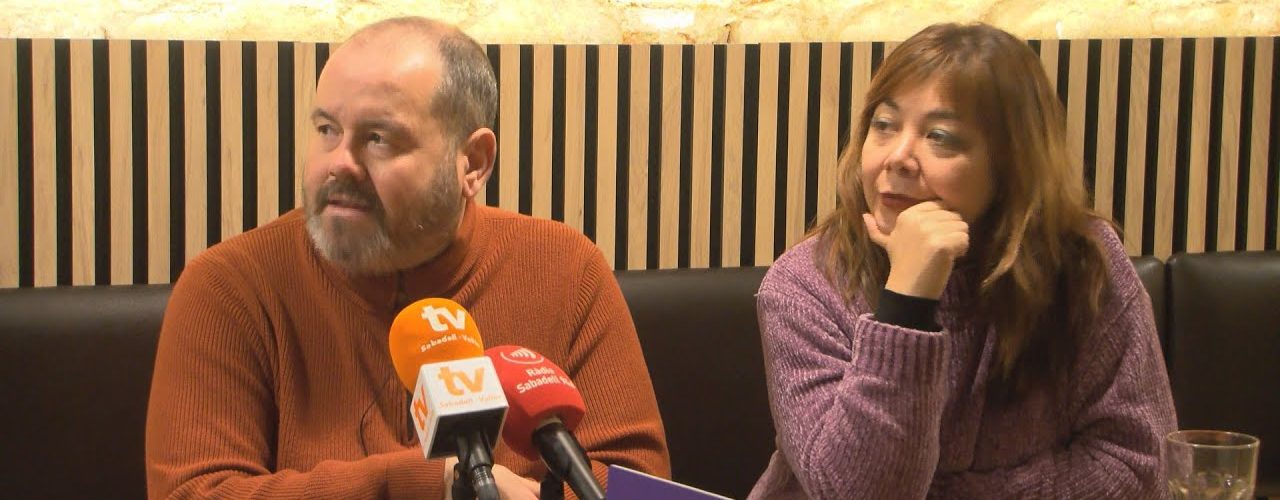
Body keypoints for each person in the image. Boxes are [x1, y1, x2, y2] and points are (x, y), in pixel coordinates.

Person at [145, 16, 669, 499]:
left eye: (378, 138)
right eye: (327, 130)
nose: (338, 163)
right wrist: (424, 484)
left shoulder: (565, 268)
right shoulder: (230, 286)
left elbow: (635, 482)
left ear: (473, 162)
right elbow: (196, 493)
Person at [748, 23, 1176, 499]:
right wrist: (906, 304)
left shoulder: (1082, 266)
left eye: (940, 136)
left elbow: (1139, 466)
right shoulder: (805, 284)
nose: (898, 157)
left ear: (1010, 166)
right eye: (884, 125)